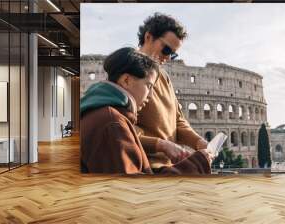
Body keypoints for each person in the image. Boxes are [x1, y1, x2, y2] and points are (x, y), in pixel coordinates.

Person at [80, 47, 212, 174]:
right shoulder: (112, 124)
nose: (150, 96)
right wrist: (198, 163)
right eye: (148, 86)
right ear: (126, 80)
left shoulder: (108, 115)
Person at [136, 13, 209, 169]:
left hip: (167, 166)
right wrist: (160, 145)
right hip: (145, 166)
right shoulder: (126, 71)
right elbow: (119, 128)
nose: (168, 57)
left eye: (173, 54)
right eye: (166, 49)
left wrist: (198, 142)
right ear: (148, 37)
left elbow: (178, 120)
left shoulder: (164, 76)